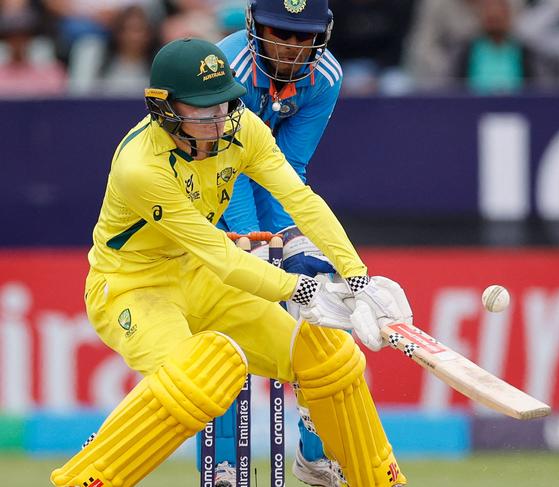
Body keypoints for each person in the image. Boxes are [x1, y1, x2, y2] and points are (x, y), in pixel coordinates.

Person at [49, 38, 410, 487]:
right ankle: (83, 479)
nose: (219, 119)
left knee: (327, 353)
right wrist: (303, 289)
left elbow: (299, 200)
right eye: (203, 109)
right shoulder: (140, 167)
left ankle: (377, 479)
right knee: (199, 375)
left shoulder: (243, 129)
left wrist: (358, 278)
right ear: (164, 109)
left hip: (198, 275)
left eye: (224, 103)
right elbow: (219, 255)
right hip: (131, 287)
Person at [213, 1, 346, 484]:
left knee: (320, 302)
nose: (291, 48)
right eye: (280, 33)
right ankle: (226, 463)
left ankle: (316, 454)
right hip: (204, 189)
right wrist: (255, 241)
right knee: (229, 321)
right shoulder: (227, 70)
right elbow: (228, 170)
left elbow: (286, 168)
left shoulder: (325, 76)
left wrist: (290, 242)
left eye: (302, 36)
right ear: (255, 26)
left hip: (268, 183)